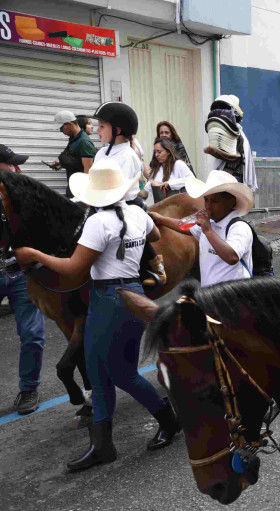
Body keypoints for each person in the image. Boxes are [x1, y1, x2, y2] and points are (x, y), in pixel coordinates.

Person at [13, 159, 181, 471]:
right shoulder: (137, 213)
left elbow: (73, 268)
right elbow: (155, 236)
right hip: (131, 293)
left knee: (120, 373)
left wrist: (35, 254)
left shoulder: (98, 222)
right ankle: (103, 445)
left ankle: (168, 419)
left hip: (109, 298)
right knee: (99, 371)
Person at [89, 102, 162, 286]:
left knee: (134, 232)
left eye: (102, 127)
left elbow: (121, 190)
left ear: (118, 130)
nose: (97, 131)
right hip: (101, 202)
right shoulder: (101, 153)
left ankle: (156, 267)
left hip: (126, 203)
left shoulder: (128, 155)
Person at [149, 171, 254, 286]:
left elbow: (232, 257)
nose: (208, 206)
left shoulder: (239, 227)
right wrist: (160, 218)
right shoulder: (211, 223)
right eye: (206, 200)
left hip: (233, 294)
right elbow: (183, 226)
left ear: (230, 202)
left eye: (214, 201)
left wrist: (208, 231)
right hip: (210, 292)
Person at [0, 143, 44, 415]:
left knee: (31, 333)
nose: (17, 169)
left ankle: (29, 389)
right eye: (11, 164)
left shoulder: (24, 192)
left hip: (20, 274)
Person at [208, 95, 258, 191]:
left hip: (231, 179)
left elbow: (229, 155)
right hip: (228, 178)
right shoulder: (236, 132)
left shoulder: (237, 133)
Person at [51, 110, 95, 197]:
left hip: (79, 192)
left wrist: (84, 195)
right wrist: (60, 164)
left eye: (61, 128)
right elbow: (75, 159)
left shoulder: (84, 142)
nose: (61, 131)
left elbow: (88, 171)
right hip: (72, 188)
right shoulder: (73, 139)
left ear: (70, 124)